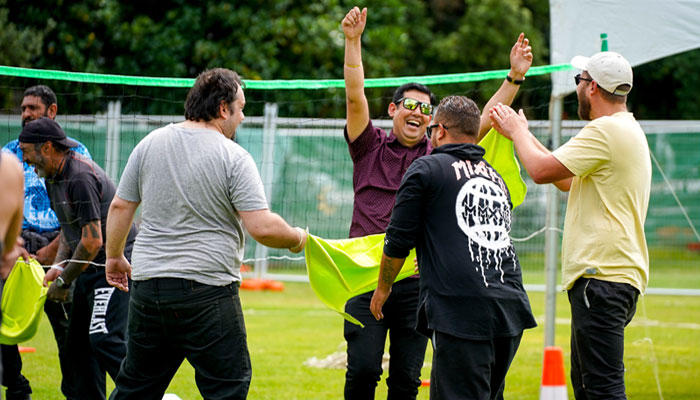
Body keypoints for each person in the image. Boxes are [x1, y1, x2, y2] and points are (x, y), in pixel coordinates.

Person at [340, 6, 533, 399]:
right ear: (393, 110)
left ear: (434, 125)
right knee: (362, 371)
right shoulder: (368, 145)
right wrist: (353, 42)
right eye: (409, 105)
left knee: (407, 379)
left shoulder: (437, 156)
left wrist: (514, 76)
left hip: (416, 282)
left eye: (425, 109)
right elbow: (355, 95)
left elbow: (478, 122)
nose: (417, 112)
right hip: (366, 276)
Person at [104, 67, 308, 400]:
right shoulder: (234, 156)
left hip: (148, 289)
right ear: (223, 108)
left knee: (135, 388)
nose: (243, 117)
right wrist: (299, 238)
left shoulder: (149, 143)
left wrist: (114, 257)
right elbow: (262, 227)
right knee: (227, 387)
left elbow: (119, 208)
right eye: (241, 108)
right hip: (207, 292)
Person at [489, 51, 651, 399]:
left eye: (579, 80)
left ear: (592, 87)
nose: (576, 87)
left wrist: (517, 132)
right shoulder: (625, 128)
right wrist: (523, 135)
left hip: (602, 278)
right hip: (611, 277)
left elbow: (541, 171)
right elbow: (565, 179)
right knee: (588, 387)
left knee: (602, 389)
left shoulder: (605, 130)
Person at [369, 95, 537, 399]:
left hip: (462, 309)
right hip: (510, 308)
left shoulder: (426, 169)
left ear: (440, 130)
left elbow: (397, 240)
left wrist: (383, 288)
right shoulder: (495, 178)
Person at [18, 117, 136, 400]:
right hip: (89, 266)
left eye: (27, 151)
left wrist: (64, 280)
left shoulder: (79, 176)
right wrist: (59, 266)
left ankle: (147, 393)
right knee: (77, 350)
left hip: (113, 265)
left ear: (46, 147)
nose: (24, 158)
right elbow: (71, 234)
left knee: (103, 338)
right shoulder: (52, 177)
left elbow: (93, 240)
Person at [1, 84, 91, 400]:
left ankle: (77, 392)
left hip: (61, 245)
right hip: (18, 250)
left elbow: (81, 219)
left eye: (33, 108)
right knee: (4, 323)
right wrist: (11, 247)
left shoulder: (77, 155)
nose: (25, 113)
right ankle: (16, 387)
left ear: (51, 112)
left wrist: (56, 250)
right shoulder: (8, 153)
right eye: (23, 108)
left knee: (68, 333)